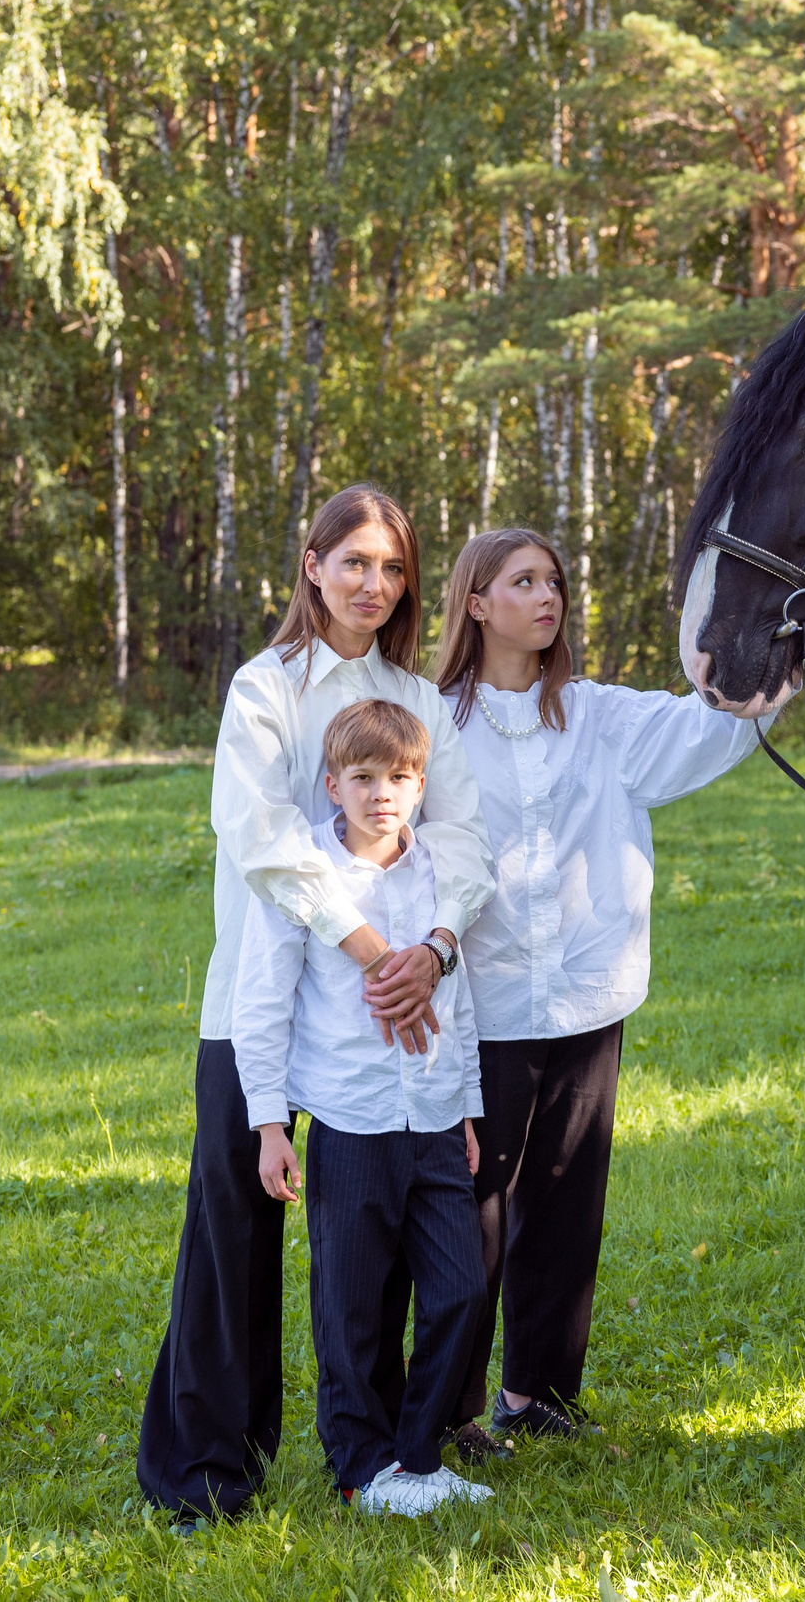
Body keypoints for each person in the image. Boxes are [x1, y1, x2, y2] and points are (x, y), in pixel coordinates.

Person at [137, 486, 494, 1527]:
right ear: (311, 565)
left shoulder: (414, 695)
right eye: (355, 563)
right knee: (233, 1233)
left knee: (371, 1234)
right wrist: (371, 946)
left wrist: (431, 946)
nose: (374, 585)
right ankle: (205, 1465)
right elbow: (260, 836)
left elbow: (462, 834)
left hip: (397, 1010)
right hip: (266, 995)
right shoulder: (267, 686)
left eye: (392, 568)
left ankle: (378, 1455)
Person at [431, 528, 767, 1455]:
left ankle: (538, 1393)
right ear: (475, 601)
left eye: (554, 581)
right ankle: (450, 1407)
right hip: (482, 1006)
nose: (548, 597)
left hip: (585, 998)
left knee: (567, 1200)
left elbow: (715, 728)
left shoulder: (600, 716)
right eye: (523, 580)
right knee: (476, 1203)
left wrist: (770, 650)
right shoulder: (434, 724)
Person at [233, 700, 494, 1517]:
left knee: (459, 1289)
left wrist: (470, 1108)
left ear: (421, 786)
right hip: (350, 1122)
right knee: (350, 1306)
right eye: (365, 777)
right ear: (332, 784)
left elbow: (464, 998)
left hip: (437, 1121)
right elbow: (263, 999)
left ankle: (417, 1460)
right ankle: (360, 1468)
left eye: (402, 777)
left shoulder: (436, 871)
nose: (384, 792)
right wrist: (270, 1123)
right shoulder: (307, 872)